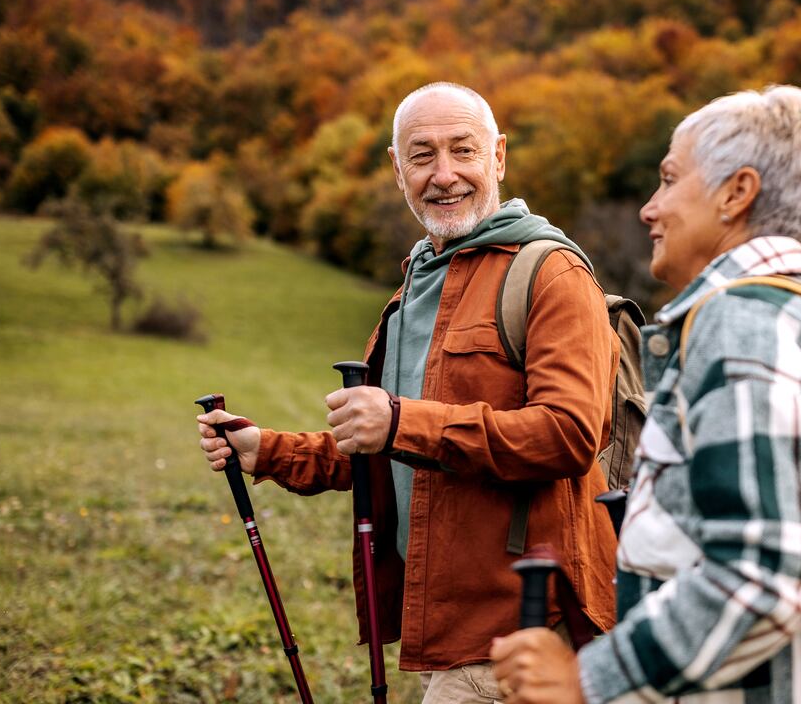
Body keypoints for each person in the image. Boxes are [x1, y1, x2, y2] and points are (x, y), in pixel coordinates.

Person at [196, 82, 619, 703]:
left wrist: (400, 422)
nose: (444, 175)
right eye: (422, 156)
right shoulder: (417, 286)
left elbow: (568, 435)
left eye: (463, 151)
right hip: (447, 621)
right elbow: (385, 442)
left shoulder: (552, 274)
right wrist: (268, 451)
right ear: (398, 171)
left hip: (531, 624)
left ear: (498, 157)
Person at [490, 85, 801, 703]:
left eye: (670, 180)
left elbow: (767, 574)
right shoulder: (797, 317)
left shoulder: (745, 328)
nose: (649, 210)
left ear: (736, 193)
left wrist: (588, 677)